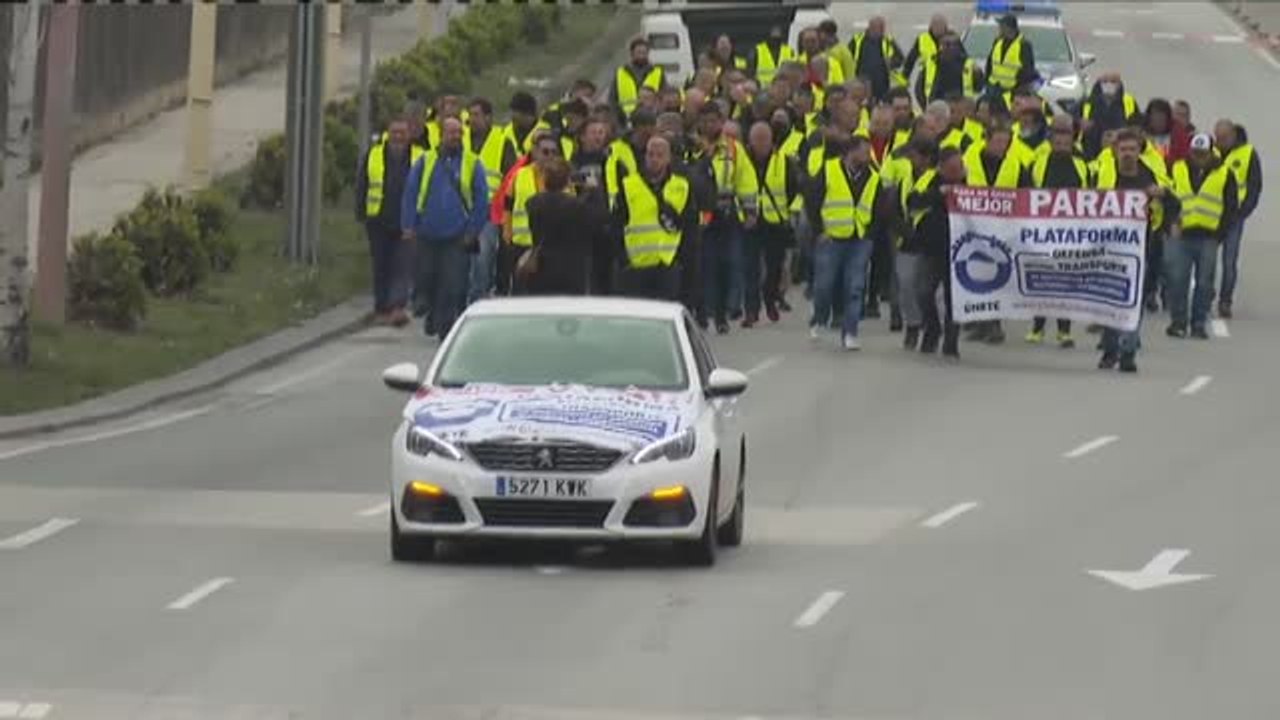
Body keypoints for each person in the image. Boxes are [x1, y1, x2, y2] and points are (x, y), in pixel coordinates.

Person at [1094, 129, 1180, 371]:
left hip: (1143, 245)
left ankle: (1128, 352)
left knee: (1134, 299)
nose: (1128, 154)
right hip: (1108, 245)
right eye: (1124, 150)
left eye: (1133, 149)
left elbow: (1175, 203)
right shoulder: (1104, 173)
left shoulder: (1152, 174)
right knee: (1110, 298)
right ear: (1115, 151)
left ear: (1139, 151)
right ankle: (1110, 349)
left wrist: (1162, 196)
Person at [401, 117, 488, 340]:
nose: (456, 137)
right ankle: (429, 310)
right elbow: (410, 193)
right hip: (426, 232)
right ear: (441, 134)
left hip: (457, 235)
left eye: (459, 133)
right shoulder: (425, 161)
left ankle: (445, 327)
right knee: (427, 276)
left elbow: (481, 200)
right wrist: (408, 225)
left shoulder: (472, 163)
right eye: (451, 132)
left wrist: (473, 230)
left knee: (452, 283)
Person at [805, 136, 883, 351]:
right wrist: (819, 231)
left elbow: (879, 209)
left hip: (859, 239)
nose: (868, 157)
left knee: (855, 286)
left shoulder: (874, 178)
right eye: (864, 152)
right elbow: (812, 200)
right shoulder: (829, 170)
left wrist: (870, 235)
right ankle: (818, 318)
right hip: (831, 238)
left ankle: (850, 331)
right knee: (824, 285)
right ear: (850, 152)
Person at [691, 103, 759, 334]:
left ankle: (720, 316)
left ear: (721, 122)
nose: (710, 125)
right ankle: (701, 314)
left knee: (724, 266)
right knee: (701, 266)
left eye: (714, 120)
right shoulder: (691, 147)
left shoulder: (733, 149)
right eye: (706, 120)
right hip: (697, 213)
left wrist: (750, 211)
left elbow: (746, 180)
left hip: (725, 213)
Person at [1021, 115, 1087, 348]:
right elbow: (1028, 192)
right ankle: (1037, 328)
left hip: (1071, 234)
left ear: (1072, 139)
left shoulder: (1082, 164)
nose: (1061, 142)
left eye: (1065, 137)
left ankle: (1064, 331)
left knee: (1066, 282)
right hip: (1043, 232)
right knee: (1042, 280)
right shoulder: (1038, 163)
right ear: (1051, 139)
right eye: (1057, 138)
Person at [1167, 132, 1236, 340]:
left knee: (1205, 283)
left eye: (1202, 153)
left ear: (1210, 152)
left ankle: (1198, 323)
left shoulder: (1224, 172)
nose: (1198, 157)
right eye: (1195, 153)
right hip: (1182, 233)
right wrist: (1171, 222)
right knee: (1178, 280)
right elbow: (1169, 197)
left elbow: (1230, 205)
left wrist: (1220, 233)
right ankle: (1178, 322)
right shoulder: (1177, 168)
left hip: (1208, 236)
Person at [613, 135, 698, 300]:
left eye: (659, 155)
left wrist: (684, 262)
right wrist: (623, 259)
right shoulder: (629, 185)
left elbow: (689, 227)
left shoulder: (681, 186)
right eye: (650, 154)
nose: (654, 159)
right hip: (636, 267)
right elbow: (617, 225)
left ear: (668, 159)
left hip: (667, 266)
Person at [355, 116, 421, 327]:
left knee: (402, 265)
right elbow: (362, 184)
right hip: (378, 220)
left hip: (408, 221)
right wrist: (361, 212)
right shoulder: (373, 155)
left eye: (403, 132)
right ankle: (381, 307)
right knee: (381, 265)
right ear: (387, 134)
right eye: (395, 132)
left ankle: (398, 307)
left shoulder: (420, 156)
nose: (399, 137)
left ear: (409, 135)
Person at [961, 122, 1022, 343]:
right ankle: (980, 321)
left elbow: (1025, 194)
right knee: (976, 275)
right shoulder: (969, 160)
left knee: (996, 277)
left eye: (1006, 143)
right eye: (997, 142)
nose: (1001, 147)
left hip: (1002, 230)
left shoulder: (1014, 165)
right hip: (971, 228)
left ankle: (994, 326)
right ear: (986, 140)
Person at [909, 146, 966, 358]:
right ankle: (932, 329)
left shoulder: (971, 182)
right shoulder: (928, 180)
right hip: (931, 247)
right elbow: (912, 202)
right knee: (922, 291)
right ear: (941, 168)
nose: (956, 172)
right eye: (951, 169)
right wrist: (938, 194)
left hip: (960, 251)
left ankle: (951, 342)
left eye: (959, 168)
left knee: (956, 300)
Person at [743, 121, 799, 325]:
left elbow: (793, 187)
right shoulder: (743, 160)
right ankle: (751, 311)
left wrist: (782, 209)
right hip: (750, 220)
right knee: (750, 267)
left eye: (764, 139)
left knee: (774, 267)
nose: (760, 143)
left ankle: (770, 298)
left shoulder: (783, 161)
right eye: (756, 139)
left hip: (775, 222)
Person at [465, 98, 518, 305]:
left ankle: (478, 300)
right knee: (463, 261)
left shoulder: (502, 141)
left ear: (488, 117)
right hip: (463, 209)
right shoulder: (462, 139)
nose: (472, 119)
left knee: (483, 257)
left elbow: (509, 177)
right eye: (470, 115)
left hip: (489, 211)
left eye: (476, 115)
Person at [525, 158, 602, 296]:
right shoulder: (576, 207)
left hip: (542, 268)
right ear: (567, 180)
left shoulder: (533, 203)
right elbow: (597, 220)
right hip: (571, 271)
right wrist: (593, 192)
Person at [1210, 119, 1263, 319]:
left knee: (1229, 261)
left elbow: (1254, 185)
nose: (1220, 141)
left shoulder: (1247, 153)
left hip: (1233, 217)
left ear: (1233, 135)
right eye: (1218, 137)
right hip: (1212, 215)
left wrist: (1243, 211)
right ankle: (1207, 294)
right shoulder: (1211, 153)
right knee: (1207, 260)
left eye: (1224, 137)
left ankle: (1225, 300)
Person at [894, 139, 939, 350]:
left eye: (914, 156)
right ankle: (912, 325)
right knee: (905, 287)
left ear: (926, 159)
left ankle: (930, 326)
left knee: (925, 290)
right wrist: (902, 230)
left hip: (927, 243)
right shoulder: (905, 180)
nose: (910, 160)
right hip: (907, 240)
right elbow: (895, 207)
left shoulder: (936, 180)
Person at [1079, 72, 1140, 158]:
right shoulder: (1087, 102)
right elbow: (1072, 120)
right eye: (1105, 82)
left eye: (1113, 82)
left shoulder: (1129, 101)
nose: (1109, 85)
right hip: (1091, 151)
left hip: (1121, 151)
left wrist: (1123, 131)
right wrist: (1080, 124)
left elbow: (1138, 123)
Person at [848, 17, 907, 103]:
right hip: (862, 82)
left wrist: (891, 63)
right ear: (871, 28)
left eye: (883, 28)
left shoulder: (888, 40)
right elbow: (847, 56)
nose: (883, 31)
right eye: (880, 28)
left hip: (881, 83)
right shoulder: (858, 40)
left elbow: (900, 58)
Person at [613, 37, 665, 125]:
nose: (641, 56)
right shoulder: (620, 72)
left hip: (651, 118)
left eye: (644, 53)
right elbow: (612, 99)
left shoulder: (658, 72)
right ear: (632, 53)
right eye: (639, 52)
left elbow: (663, 96)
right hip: (625, 120)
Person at [918, 32, 979, 106]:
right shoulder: (932, 63)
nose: (951, 47)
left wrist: (977, 75)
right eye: (947, 44)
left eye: (955, 44)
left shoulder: (968, 63)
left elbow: (978, 88)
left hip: (960, 108)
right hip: (938, 107)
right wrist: (925, 106)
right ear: (940, 45)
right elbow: (919, 88)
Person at [984, 14, 1036, 95]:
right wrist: (987, 82)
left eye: (1002, 26)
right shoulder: (997, 42)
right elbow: (989, 64)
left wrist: (1019, 88)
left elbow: (1028, 70)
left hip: (1012, 90)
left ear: (1009, 28)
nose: (999, 29)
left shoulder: (1023, 45)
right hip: (993, 88)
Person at [903, 15, 950, 81]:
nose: (938, 29)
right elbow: (911, 59)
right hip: (926, 78)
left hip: (945, 79)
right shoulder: (923, 39)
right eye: (936, 27)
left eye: (940, 27)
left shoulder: (952, 39)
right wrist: (905, 76)